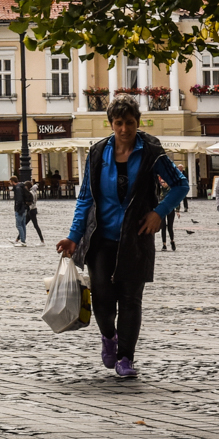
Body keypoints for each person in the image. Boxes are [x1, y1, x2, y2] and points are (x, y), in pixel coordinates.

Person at [61, 97, 188, 379]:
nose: (124, 128)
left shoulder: (151, 151)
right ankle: (109, 336)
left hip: (136, 237)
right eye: (118, 123)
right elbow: (85, 198)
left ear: (137, 122)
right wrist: (73, 236)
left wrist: (159, 212)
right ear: (111, 124)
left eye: (129, 122)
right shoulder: (97, 153)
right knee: (103, 299)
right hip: (101, 238)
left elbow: (181, 184)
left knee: (131, 299)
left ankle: (126, 357)